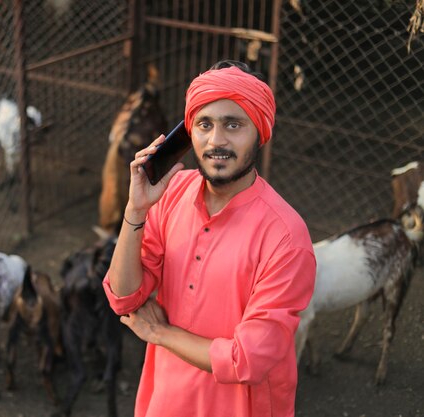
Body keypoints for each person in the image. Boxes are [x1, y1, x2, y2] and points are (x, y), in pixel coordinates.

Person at [102, 60, 316, 417]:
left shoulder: (286, 237)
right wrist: (136, 210)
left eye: (234, 124)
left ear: (259, 132)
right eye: (204, 125)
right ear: (189, 133)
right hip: (165, 398)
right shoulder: (172, 193)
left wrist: (161, 334)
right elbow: (124, 297)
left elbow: (248, 359)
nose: (217, 141)